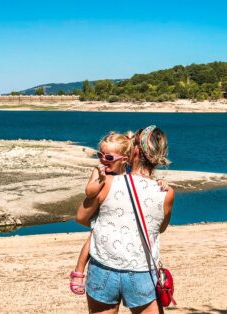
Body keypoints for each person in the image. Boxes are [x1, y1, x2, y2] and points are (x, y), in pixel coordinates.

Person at [76, 125, 175, 314]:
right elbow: (160, 228)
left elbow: (81, 217)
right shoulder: (166, 192)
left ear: (133, 151)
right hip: (141, 270)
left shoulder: (108, 182)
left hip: (103, 267)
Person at [70, 131, 132, 295]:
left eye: (109, 158)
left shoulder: (129, 175)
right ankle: (79, 270)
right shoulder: (98, 171)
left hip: (117, 216)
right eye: (100, 155)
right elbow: (89, 192)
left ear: (124, 160)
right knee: (92, 238)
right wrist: (101, 179)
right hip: (100, 214)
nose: (103, 160)